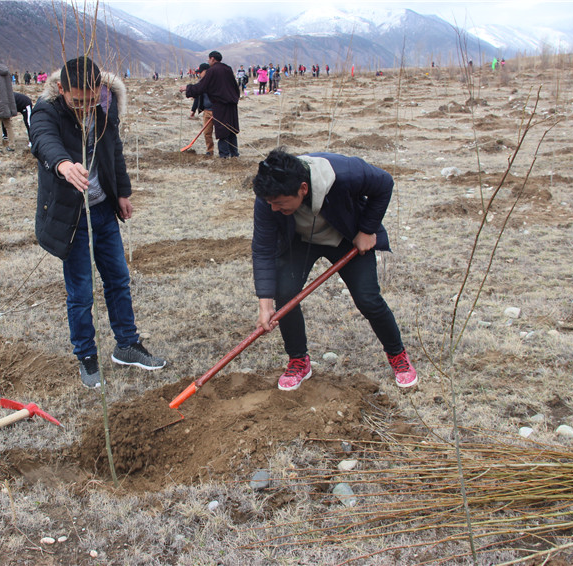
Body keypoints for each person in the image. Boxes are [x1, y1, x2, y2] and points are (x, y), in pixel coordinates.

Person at [29, 56, 166, 388]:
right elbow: (43, 140)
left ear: (100, 89)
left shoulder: (104, 106)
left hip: (102, 210)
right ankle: (86, 356)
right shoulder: (47, 110)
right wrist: (63, 165)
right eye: (77, 101)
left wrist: (122, 192)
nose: (85, 108)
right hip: (72, 216)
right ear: (61, 89)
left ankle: (127, 345)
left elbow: (113, 150)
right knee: (81, 292)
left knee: (118, 279)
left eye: (91, 100)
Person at [250, 147, 418, 391]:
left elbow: (385, 183)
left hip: (346, 237)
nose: (274, 209)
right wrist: (265, 306)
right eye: (270, 203)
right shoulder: (269, 196)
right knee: (285, 294)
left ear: (303, 189)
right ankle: (298, 360)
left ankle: (397, 354)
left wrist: (368, 229)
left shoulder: (346, 173)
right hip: (300, 240)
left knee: (368, 298)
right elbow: (263, 249)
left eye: (280, 203)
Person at [179, 50, 240, 158]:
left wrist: (187, 88)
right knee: (230, 130)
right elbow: (235, 87)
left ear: (212, 59)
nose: (208, 61)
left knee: (222, 131)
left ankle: (224, 156)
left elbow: (201, 86)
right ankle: (234, 154)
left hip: (221, 106)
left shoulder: (213, 70)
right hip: (231, 105)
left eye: (208, 59)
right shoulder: (228, 69)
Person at [186, 63, 214, 156]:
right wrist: (193, 110)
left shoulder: (215, 81)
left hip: (218, 111)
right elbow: (197, 96)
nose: (199, 74)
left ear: (205, 71)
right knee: (207, 133)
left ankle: (225, 152)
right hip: (207, 111)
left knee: (222, 133)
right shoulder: (201, 83)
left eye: (200, 72)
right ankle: (210, 151)